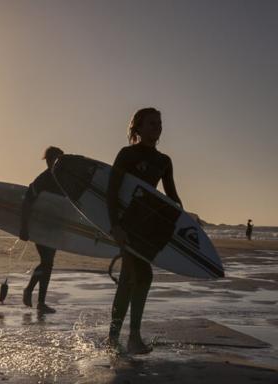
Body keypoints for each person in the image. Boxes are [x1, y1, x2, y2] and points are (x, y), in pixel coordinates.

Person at [107, 108, 182, 354]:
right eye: (152, 123)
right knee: (142, 275)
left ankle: (115, 338)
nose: (157, 128)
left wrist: (185, 224)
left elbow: (172, 198)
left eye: (159, 123)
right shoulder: (127, 154)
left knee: (129, 280)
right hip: (127, 223)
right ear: (137, 127)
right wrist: (115, 226)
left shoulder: (164, 161)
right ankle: (132, 338)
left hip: (148, 226)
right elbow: (112, 190)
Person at [19, 146, 65, 314]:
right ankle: (32, 293)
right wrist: (24, 227)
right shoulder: (43, 179)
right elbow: (27, 201)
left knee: (48, 263)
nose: (56, 163)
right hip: (39, 227)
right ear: (48, 161)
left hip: (54, 228)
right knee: (47, 262)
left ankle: (39, 301)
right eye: (54, 159)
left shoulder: (63, 181)